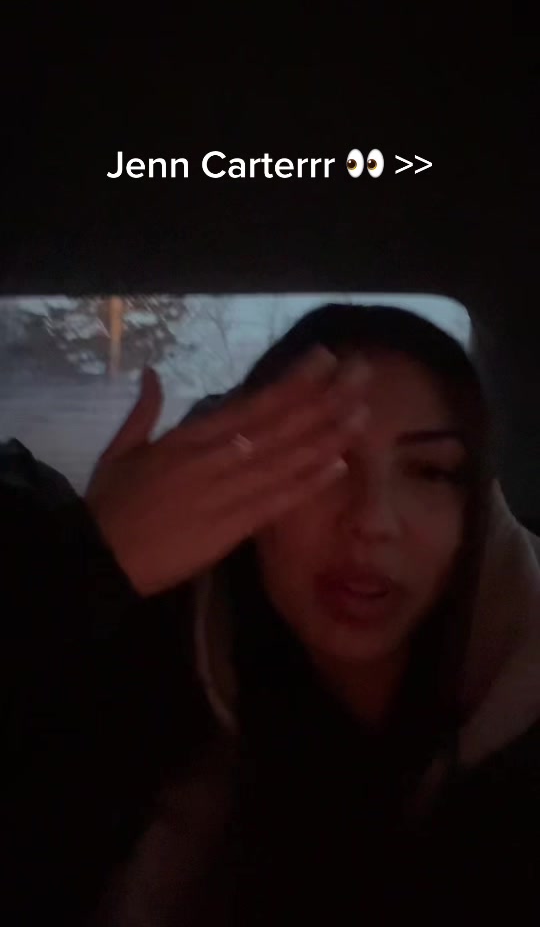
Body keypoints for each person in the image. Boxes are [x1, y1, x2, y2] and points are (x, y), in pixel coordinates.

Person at [1, 304, 539, 926]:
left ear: (479, 519)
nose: (371, 520)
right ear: (244, 504)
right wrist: (82, 572)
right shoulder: (142, 720)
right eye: (317, 464)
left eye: (429, 471)